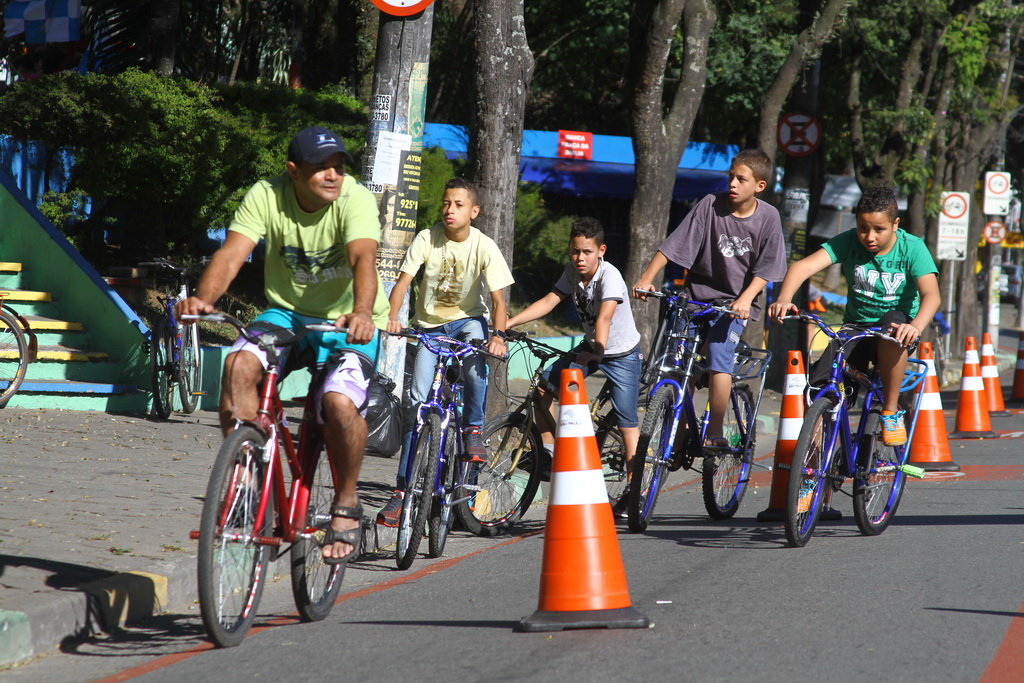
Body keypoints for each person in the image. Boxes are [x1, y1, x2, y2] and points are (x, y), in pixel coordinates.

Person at [176, 125, 390, 565]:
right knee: (238, 364)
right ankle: (248, 476)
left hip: (348, 321)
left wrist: (362, 313)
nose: (332, 175)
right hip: (287, 313)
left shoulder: (354, 198)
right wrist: (203, 300)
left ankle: (346, 502)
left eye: (338, 166)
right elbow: (231, 255)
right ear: (294, 171)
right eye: (321, 168)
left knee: (338, 403)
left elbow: (363, 258)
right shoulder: (266, 194)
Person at [377, 178, 514, 526]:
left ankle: (472, 430)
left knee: (475, 368)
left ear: (474, 211)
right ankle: (402, 491)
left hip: (468, 322)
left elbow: (498, 301)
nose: (449, 210)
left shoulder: (484, 246)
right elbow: (404, 283)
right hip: (430, 328)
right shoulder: (427, 238)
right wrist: (393, 318)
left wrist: (498, 336)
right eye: (445, 203)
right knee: (418, 404)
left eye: (458, 205)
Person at [633, 148, 787, 449]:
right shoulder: (710, 204)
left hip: (734, 305)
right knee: (679, 363)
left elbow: (767, 269)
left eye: (741, 179)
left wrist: (745, 299)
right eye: (731, 177)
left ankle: (714, 431)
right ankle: (680, 428)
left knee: (718, 357)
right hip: (696, 298)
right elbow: (674, 245)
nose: (732, 184)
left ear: (759, 186)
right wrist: (647, 277)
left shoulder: (768, 217)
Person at [767, 185, 940, 445]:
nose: (869, 237)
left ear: (895, 224)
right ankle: (813, 459)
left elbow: (932, 295)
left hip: (896, 325)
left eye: (879, 229)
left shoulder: (912, 248)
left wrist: (915, 326)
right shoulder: (848, 241)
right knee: (820, 386)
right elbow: (802, 267)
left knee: (892, 329)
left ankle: (890, 411)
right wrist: (784, 298)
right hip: (855, 327)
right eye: (863, 228)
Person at [506, 217, 642, 514]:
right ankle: (548, 451)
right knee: (544, 386)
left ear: (601, 251)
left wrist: (598, 353)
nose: (580, 258)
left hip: (621, 353)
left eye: (587, 252)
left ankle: (635, 489)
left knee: (627, 421)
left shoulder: (610, 276)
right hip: (591, 347)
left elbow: (604, 317)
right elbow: (549, 300)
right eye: (575, 251)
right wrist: (510, 322)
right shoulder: (572, 271)